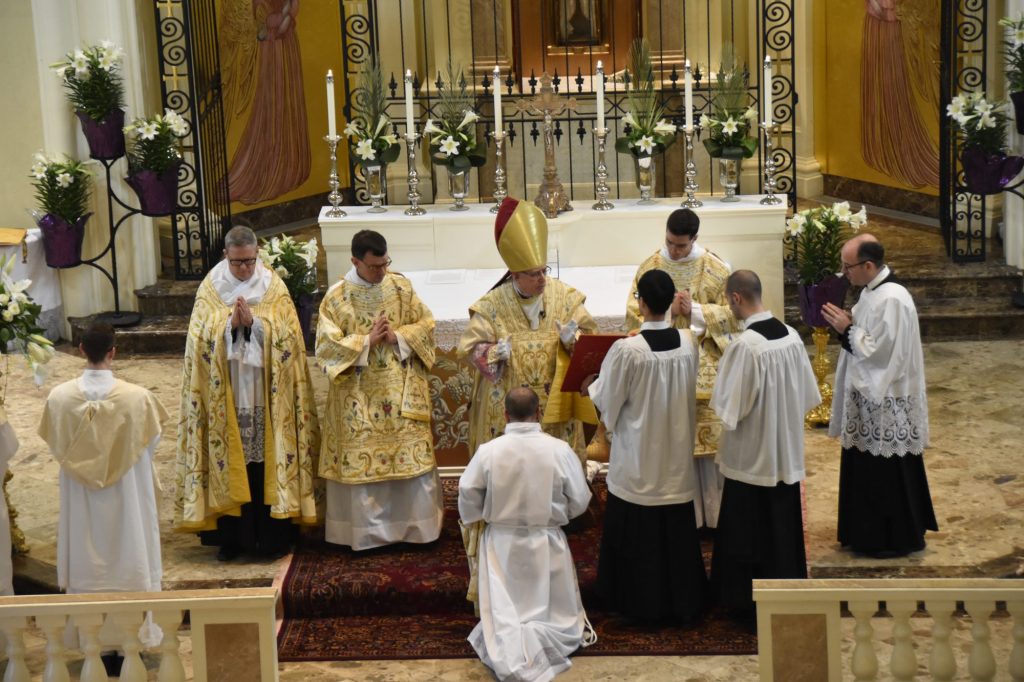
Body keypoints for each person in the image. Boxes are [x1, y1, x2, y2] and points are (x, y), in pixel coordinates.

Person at [458, 196, 597, 603]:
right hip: (507, 407)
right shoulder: (490, 305)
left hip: (554, 407)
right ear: (514, 274)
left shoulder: (566, 297)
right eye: (533, 274)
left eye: (543, 271)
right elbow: (471, 346)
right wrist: (490, 354)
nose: (541, 279)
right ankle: (503, 514)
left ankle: (558, 513)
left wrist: (577, 342)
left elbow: (590, 344)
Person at [177, 225, 320, 560]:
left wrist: (256, 325)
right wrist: (228, 325)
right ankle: (232, 539)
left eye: (250, 261)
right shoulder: (211, 288)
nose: (244, 269)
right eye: (238, 262)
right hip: (226, 390)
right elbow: (197, 340)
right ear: (226, 255)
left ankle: (274, 537)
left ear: (257, 254)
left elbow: (290, 338)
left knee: (266, 459)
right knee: (230, 457)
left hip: (266, 392)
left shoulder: (273, 286)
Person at [38, 323, 168, 673]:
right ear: (114, 351)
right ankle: (133, 642)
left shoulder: (60, 398)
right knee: (130, 553)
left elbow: (53, 444)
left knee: (88, 559)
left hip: (83, 504)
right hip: (127, 499)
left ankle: (94, 641)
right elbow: (150, 444)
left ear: (80, 349)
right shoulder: (137, 398)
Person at [584, 269, 707, 624]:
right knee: (675, 534)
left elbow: (609, 402)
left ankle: (636, 602)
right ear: (670, 302)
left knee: (638, 534)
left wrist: (592, 385)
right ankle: (682, 600)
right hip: (676, 454)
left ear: (641, 303)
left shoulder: (628, 350)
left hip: (639, 459)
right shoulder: (688, 343)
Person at [316, 229, 442, 549]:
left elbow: (426, 324)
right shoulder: (337, 298)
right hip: (356, 395)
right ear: (355, 261)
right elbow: (326, 349)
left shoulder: (401, 287)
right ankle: (366, 534)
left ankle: (416, 529)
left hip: (399, 389)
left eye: (385, 263)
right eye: (374, 266)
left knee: (408, 459)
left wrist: (397, 337)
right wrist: (365, 342)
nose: (382, 271)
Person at [459, 386, 595, 681]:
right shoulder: (559, 449)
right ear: (540, 413)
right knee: (550, 605)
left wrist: (479, 518)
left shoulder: (488, 451)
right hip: (547, 539)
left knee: (509, 608)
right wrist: (560, 517)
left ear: (505, 414)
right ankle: (548, 627)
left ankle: (514, 635)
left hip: (500, 542)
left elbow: (468, 493)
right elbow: (581, 500)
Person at [709, 270, 820, 621]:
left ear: (736, 298)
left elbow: (730, 411)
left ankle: (744, 603)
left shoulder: (745, 347)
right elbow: (807, 396)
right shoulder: (790, 336)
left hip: (752, 459)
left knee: (748, 532)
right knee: (782, 529)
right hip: (784, 454)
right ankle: (788, 592)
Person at [624, 207, 741, 529]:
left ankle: (714, 516)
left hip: (704, 358)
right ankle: (683, 515)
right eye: (671, 243)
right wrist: (666, 312)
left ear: (695, 239)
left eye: (681, 245)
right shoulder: (650, 267)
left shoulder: (715, 269)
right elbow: (634, 315)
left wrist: (697, 312)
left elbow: (733, 315)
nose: (675, 251)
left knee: (708, 441)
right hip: (663, 363)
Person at [821, 234, 937, 557]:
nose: (845, 273)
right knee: (867, 463)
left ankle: (890, 538)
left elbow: (884, 355)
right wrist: (850, 324)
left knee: (886, 471)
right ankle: (863, 533)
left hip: (886, 401)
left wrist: (848, 328)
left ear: (868, 265)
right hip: (870, 399)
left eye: (848, 267)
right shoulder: (872, 292)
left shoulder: (892, 299)